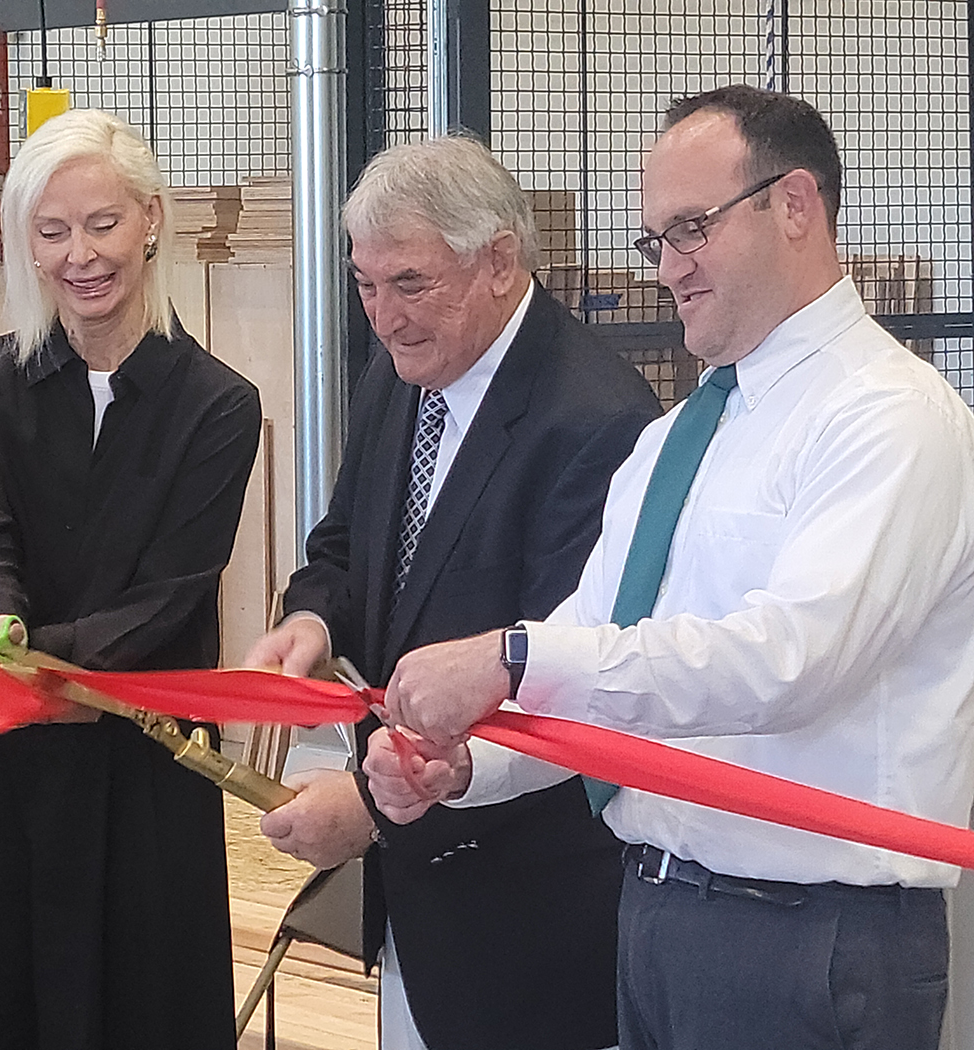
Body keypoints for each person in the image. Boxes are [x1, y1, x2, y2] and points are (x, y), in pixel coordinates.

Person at [374, 86, 974, 1050]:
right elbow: (595, 651)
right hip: (657, 913)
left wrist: (513, 661)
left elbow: (790, 662)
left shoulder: (890, 420)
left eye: (690, 230)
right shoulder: (675, 440)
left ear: (795, 207)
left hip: (809, 936)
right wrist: (465, 765)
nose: (665, 269)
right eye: (656, 240)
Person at [245, 136, 660, 1050]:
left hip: (530, 893)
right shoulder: (410, 374)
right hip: (422, 879)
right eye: (365, 285)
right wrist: (311, 618)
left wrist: (365, 798)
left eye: (410, 283)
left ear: (500, 262)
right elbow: (349, 542)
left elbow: (556, 668)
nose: (383, 317)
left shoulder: (595, 422)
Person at [0, 109, 261, 1050]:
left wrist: (20, 660)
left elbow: (169, 592)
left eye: (101, 224)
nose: (80, 256)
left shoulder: (219, 405)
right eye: (51, 232)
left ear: (149, 220)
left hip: (140, 765)